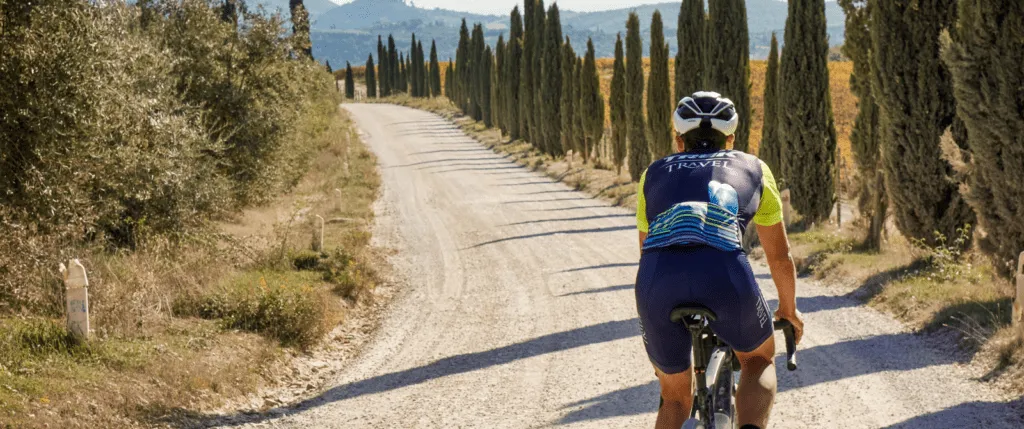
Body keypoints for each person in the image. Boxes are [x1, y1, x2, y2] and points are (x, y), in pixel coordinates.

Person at [634, 91, 805, 429]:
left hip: (658, 280)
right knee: (758, 359)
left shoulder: (652, 174)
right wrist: (788, 309)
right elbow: (780, 257)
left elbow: (646, 251)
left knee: (674, 395)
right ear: (731, 139)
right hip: (723, 273)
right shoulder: (754, 168)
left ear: (679, 141)